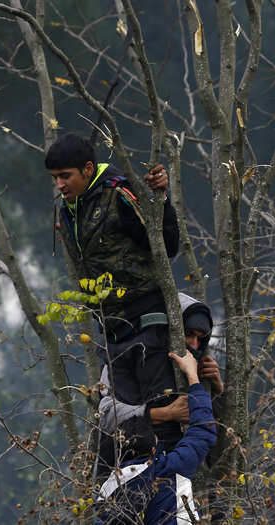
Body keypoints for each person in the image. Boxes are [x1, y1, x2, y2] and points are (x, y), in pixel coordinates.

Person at [46, 133, 180, 437]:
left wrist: (162, 199)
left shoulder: (120, 192)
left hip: (148, 324)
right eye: (55, 178)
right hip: (112, 333)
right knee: (128, 431)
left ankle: (174, 483)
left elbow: (167, 244)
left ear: (89, 169)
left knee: (164, 422)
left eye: (65, 176)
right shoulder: (70, 209)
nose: (60, 185)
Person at [95, 349, 217, 525]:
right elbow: (204, 432)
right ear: (153, 450)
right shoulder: (165, 469)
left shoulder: (105, 493)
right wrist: (193, 377)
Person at [97, 292, 223, 449]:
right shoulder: (127, 357)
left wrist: (217, 387)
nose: (195, 345)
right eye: (189, 334)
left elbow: (217, 428)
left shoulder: (197, 367)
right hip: (131, 463)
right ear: (171, 329)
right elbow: (105, 416)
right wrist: (165, 413)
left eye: (201, 338)